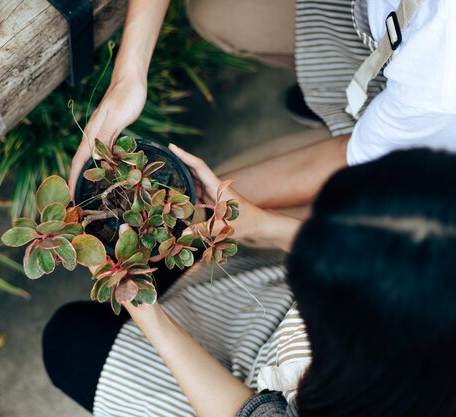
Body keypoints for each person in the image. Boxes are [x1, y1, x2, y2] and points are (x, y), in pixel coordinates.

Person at [44, 147, 456, 416]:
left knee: (69, 340)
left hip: (261, 395)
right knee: (171, 247)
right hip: (287, 336)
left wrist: (148, 314)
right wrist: (264, 225)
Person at [68, 0, 456, 249]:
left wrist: (193, 208)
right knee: (214, 14)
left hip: (426, 131)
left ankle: (362, 116)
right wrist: (128, 79)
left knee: (252, 206)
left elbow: (353, 157)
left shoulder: (442, 73)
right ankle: (331, 94)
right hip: (367, 18)